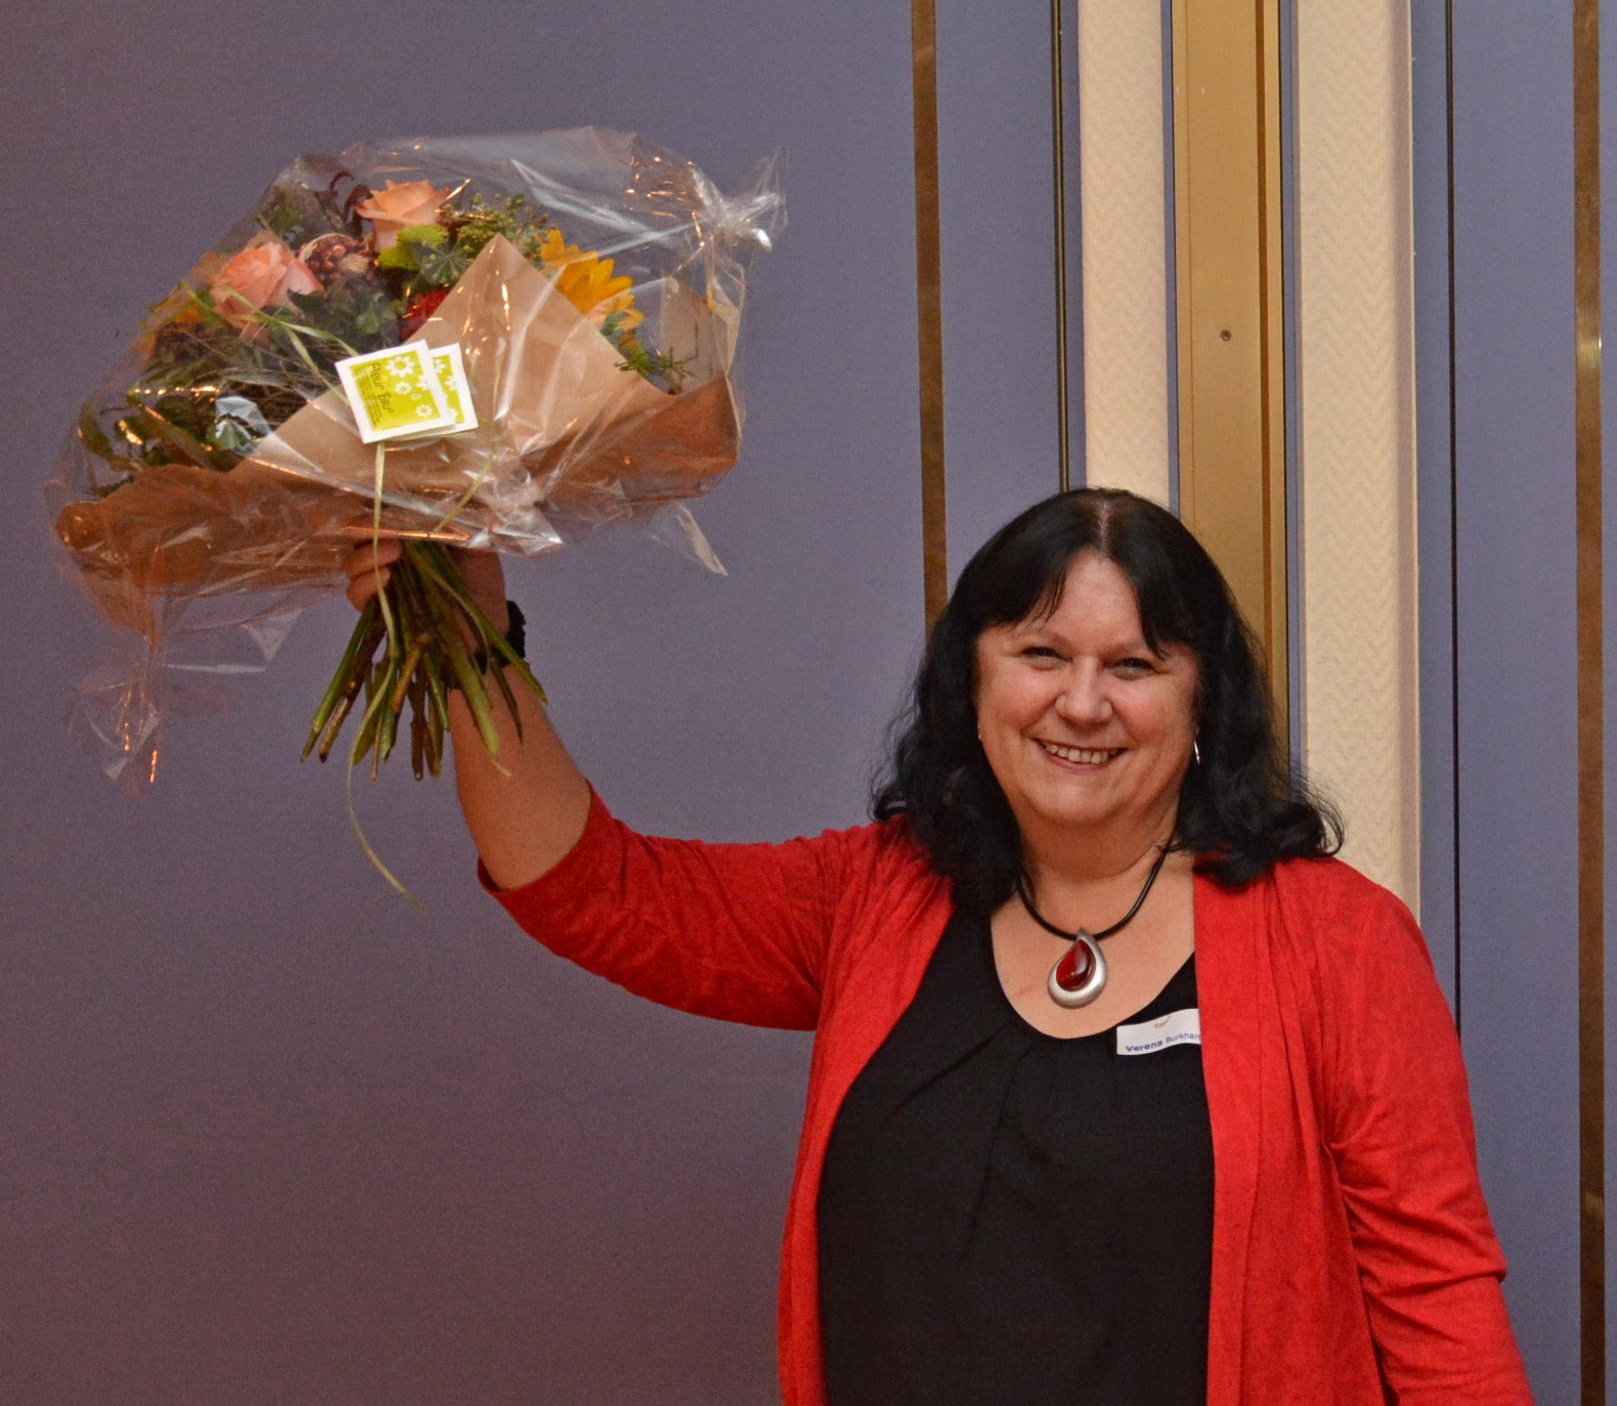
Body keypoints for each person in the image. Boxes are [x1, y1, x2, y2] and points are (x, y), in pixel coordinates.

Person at [347, 487, 1532, 1405]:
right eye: (1041, 653)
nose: (1082, 702)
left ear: (1202, 701)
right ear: (972, 678)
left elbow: (1438, 1302)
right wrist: (467, 638)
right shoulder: (877, 895)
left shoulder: (1336, 939)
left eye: (1133, 665)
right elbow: (589, 887)